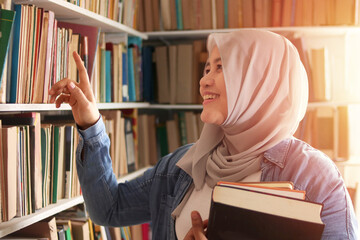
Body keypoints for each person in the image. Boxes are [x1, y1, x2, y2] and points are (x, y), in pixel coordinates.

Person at [49, 29, 358, 240]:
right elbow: (109, 208)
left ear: (260, 82)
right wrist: (90, 124)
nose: (204, 81)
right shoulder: (181, 165)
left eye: (221, 68)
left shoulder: (315, 177)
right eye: (206, 68)